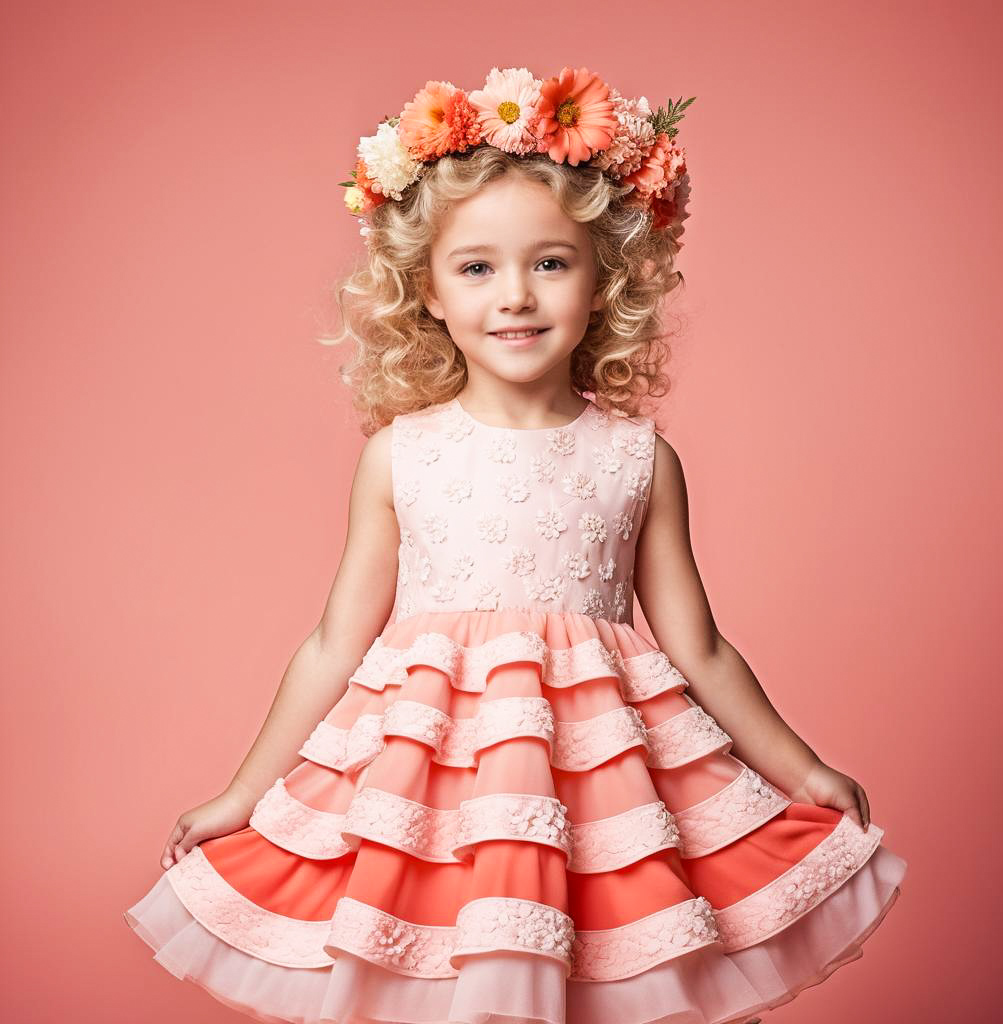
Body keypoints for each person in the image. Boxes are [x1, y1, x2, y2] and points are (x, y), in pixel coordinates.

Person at [123, 65, 907, 1024]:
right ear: (429, 294)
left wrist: (800, 768)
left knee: (588, 980)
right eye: (477, 267)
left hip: (596, 781)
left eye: (550, 262)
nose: (516, 296)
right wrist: (242, 794)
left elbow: (698, 645)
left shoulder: (636, 458)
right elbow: (334, 641)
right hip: (434, 784)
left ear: (601, 280)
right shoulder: (401, 458)